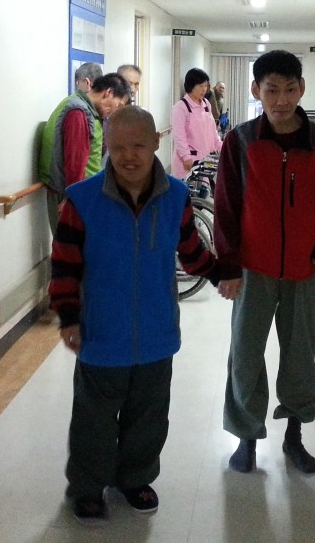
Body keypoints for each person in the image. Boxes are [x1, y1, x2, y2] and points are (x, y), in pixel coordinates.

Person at [48, 106, 217, 524]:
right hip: (101, 334)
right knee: (94, 421)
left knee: (148, 418)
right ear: (107, 146)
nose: (128, 156)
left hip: (157, 334)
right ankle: (88, 487)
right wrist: (69, 317)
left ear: (156, 143)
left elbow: (191, 251)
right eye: (118, 147)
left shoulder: (176, 196)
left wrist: (222, 272)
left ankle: (135, 478)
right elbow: (64, 265)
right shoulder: (82, 199)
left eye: (138, 145)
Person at [212, 50, 315, 475]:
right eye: (272, 90)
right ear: (256, 90)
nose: (281, 100)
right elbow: (226, 207)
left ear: (301, 89)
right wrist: (228, 267)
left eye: (289, 89)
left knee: (301, 355)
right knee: (246, 353)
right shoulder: (242, 141)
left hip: (304, 270)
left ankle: (295, 435)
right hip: (253, 268)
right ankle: (246, 436)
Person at [37, 73, 130, 231]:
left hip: (82, 191)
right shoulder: (78, 112)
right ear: (108, 92)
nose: (116, 111)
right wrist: (73, 198)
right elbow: (75, 161)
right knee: (70, 243)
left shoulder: (88, 111)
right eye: (118, 105)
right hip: (72, 193)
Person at [170, 68, 222, 178]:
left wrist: (221, 147)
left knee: (203, 187)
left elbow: (212, 131)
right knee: (186, 188)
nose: (204, 89)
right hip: (187, 162)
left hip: (204, 159)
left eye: (206, 86)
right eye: (201, 86)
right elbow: (179, 136)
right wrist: (186, 157)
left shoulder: (206, 104)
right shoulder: (181, 107)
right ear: (191, 86)